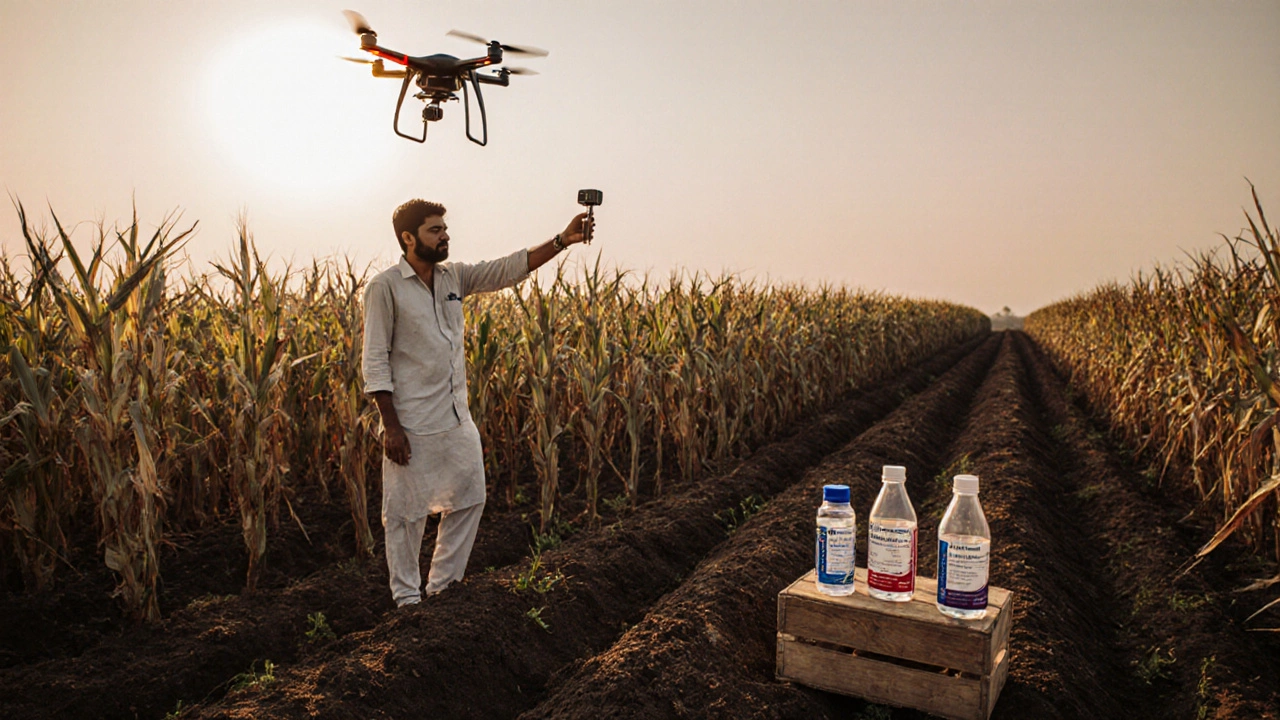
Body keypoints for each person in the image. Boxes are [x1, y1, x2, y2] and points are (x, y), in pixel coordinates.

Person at [361, 199, 595, 607]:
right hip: (411, 424)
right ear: (408, 238)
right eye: (435, 230)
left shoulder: (455, 278)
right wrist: (391, 427)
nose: (445, 235)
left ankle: (443, 588)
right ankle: (406, 602)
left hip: (455, 418)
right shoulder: (385, 288)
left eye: (445, 228)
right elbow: (375, 360)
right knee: (405, 516)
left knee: (471, 497)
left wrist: (563, 240)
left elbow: (508, 269)